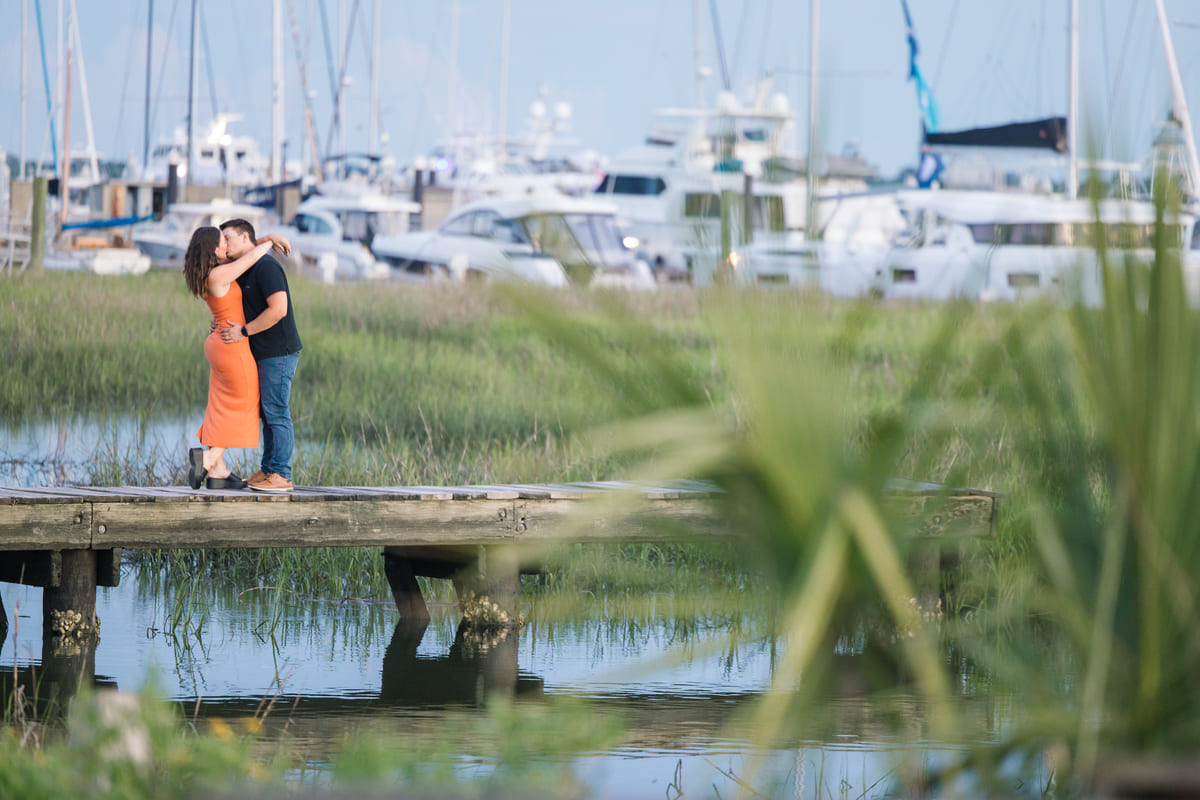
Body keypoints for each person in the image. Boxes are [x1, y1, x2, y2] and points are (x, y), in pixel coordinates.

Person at [183, 227, 286, 490]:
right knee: (245, 404)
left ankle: (218, 471)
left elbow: (244, 252)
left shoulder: (210, 273)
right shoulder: (218, 274)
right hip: (232, 346)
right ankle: (209, 458)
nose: (226, 247)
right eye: (221, 243)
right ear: (213, 250)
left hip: (220, 341)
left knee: (220, 406)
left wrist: (262, 240)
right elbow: (250, 259)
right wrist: (271, 239)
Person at [217, 218, 304, 492]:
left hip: (279, 351)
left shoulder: (266, 267)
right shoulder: (242, 268)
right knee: (267, 413)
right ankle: (268, 470)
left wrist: (243, 331)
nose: (225, 244)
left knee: (277, 411)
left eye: (228, 238)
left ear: (245, 238)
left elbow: (278, 310)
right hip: (262, 352)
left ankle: (281, 474)